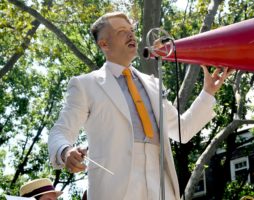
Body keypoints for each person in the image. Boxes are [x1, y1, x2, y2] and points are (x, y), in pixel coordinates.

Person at [48, 11, 233, 200]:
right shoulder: (85, 85)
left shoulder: (153, 84)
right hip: (115, 190)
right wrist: (65, 151)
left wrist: (207, 92)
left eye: (131, 30)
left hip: (162, 188)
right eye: (121, 31)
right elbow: (60, 132)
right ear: (104, 43)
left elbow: (182, 130)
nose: (131, 35)